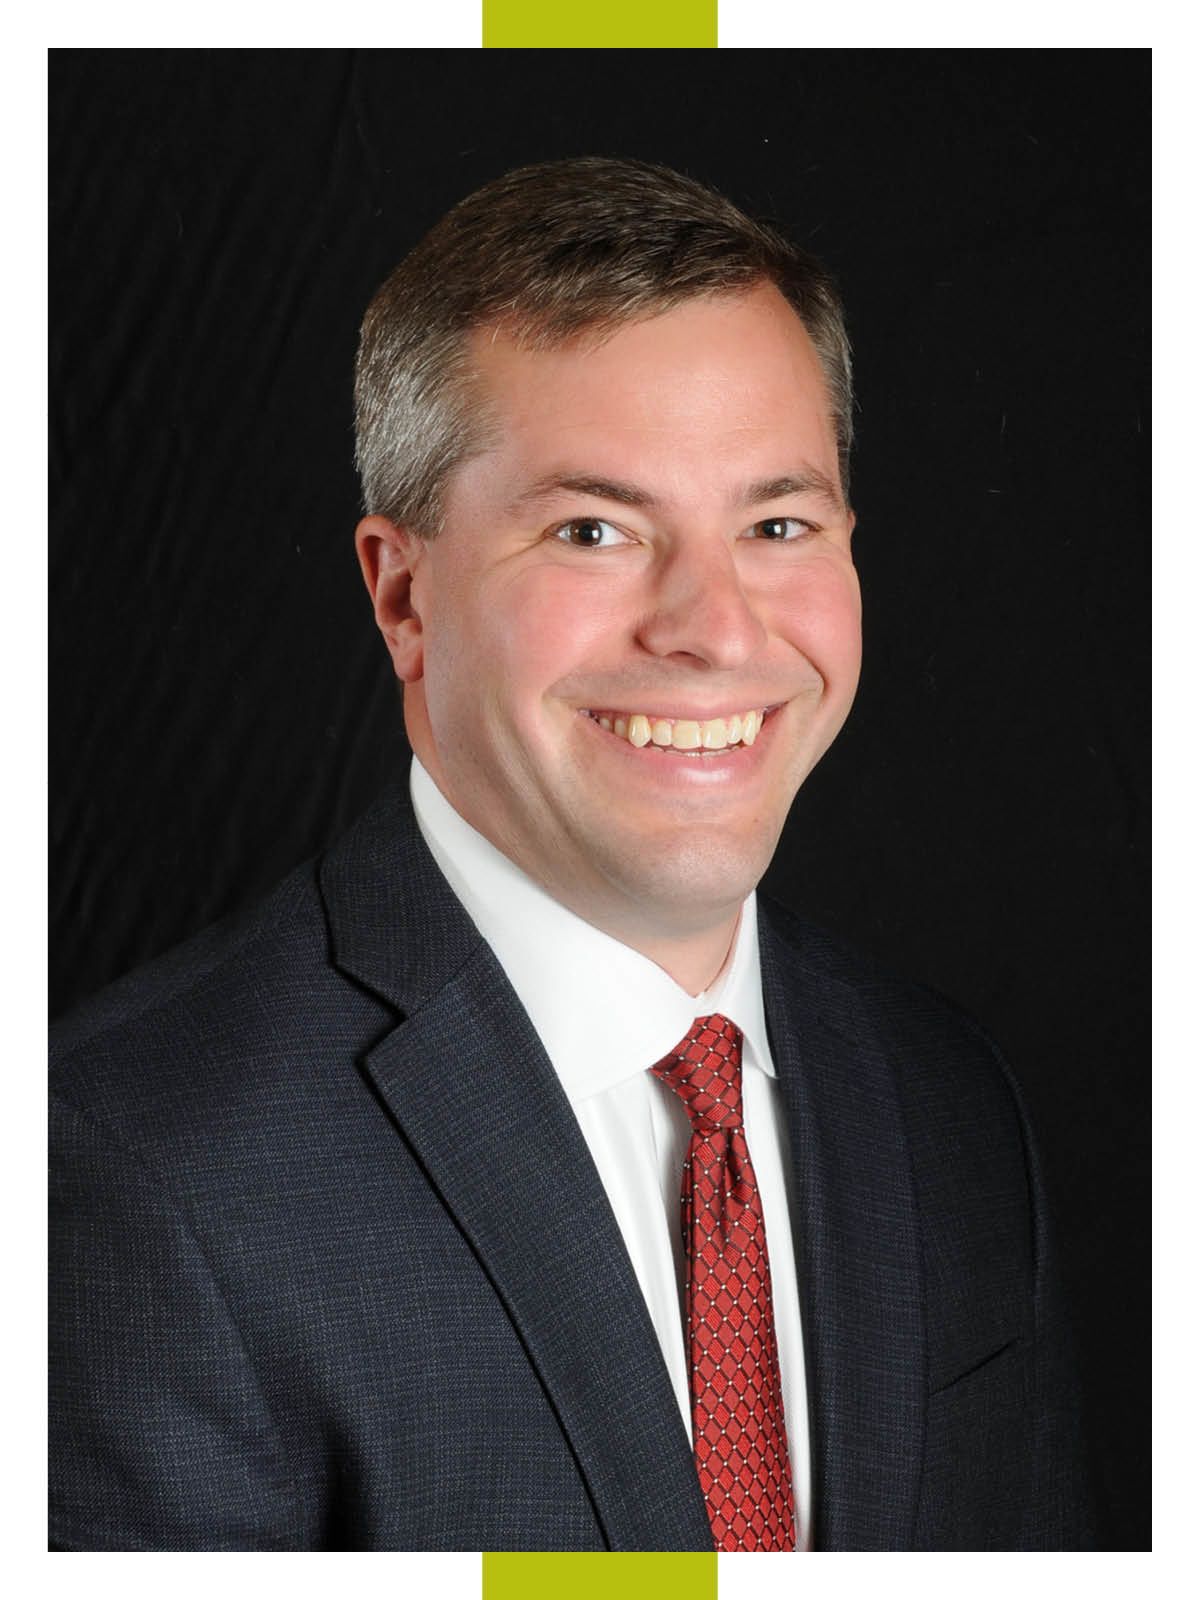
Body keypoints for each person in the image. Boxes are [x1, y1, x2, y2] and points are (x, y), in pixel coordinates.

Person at [49, 157, 1094, 1551]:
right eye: (594, 530)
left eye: (777, 525)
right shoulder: (128, 1171)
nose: (715, 628)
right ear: (403, 594)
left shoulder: (946, 1102)